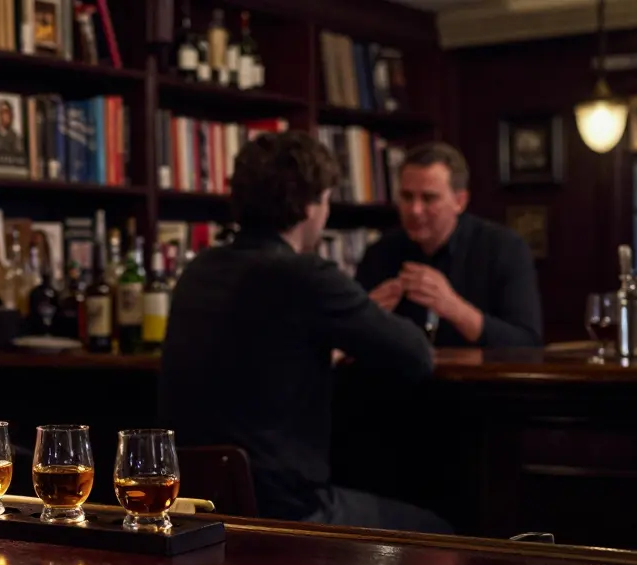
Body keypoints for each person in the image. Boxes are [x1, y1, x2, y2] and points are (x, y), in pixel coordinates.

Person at [159, 131, 451, 534]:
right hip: (286, 509)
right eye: (327, 199)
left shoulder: (200, 270)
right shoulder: (307, 275)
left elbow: (253, 354)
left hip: (200, 504)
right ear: (311, 205)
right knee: (441, 533)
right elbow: (417, 355)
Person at [355, 142, 543, 348]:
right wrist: (364, 315)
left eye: (429, 198)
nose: (415, 210)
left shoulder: (504, 249)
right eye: (407, 197)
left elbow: (527, 344)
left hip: (478, 379)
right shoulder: (380, 252)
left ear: (459, 201)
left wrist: (453, 308)